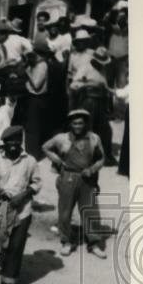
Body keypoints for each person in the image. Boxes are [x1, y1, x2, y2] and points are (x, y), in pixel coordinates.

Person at [0, 126, 42, 284]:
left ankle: (8, 280)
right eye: (10, 142)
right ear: (4, 143)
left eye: (17, 141)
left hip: (23, 209)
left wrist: (23, 195)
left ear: (21, 142)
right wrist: (1, 192)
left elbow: (37, 183)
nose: (13, 145)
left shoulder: (30, 161)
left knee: (16, 245)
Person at [42, 109, 107, 259]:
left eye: (80, 123)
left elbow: (101, 159)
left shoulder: (94, 138)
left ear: (85, 123)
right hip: (68, 178)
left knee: (91, 212)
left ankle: (94, 243)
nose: (78, 126)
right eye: (75, 123)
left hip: (87, 179)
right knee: (65, 212)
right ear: (70, 124)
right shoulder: (62, 138)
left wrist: (92, 169)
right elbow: (45, 147)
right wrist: (56, 159)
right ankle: (66, 241)